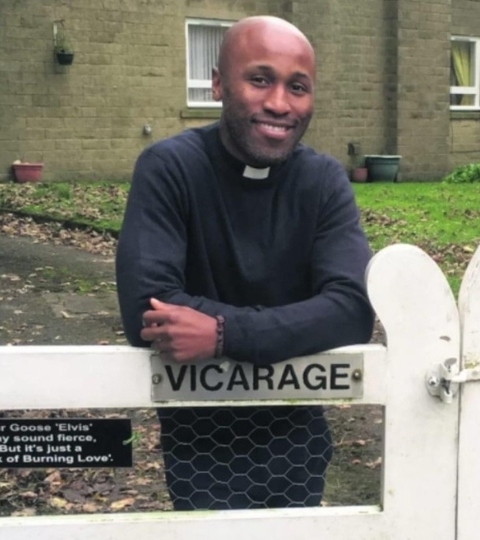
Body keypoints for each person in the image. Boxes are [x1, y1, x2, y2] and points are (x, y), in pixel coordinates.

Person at [115, 16, 374, 511]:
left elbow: (352, 310)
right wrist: (295, 323)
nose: (279, 103)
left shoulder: (323, 183)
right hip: (200, 445)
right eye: (260, 79)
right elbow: (147, 311)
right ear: (217, 83)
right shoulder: (170, 169)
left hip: (296, 439)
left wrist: (221, 334)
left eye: (297, 87)